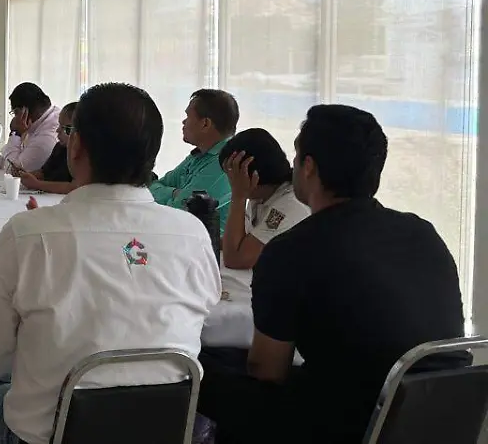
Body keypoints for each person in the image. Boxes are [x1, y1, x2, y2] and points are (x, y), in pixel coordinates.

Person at [0, 83, 221, 444]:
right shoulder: (193, 233)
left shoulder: (28, 234)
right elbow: (204, 312)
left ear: (77, 145)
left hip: (49, 436)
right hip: (163, 431)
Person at [198, 105, 466, 444]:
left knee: (202, 372)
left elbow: (266, 371)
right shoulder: (424, 233)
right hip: (440, 418)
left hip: (348, 424)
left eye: (297, 157)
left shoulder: (291, 250)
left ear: (309, 167)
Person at [216, 128, 309, 301]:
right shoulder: (260, 195)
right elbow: (234, 243)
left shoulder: (291, 204)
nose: (231, 181)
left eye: (233, 175)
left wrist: (238, 196)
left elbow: (235, 258)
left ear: (251, 175)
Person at [150, 89, 238, 231]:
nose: (183, 122)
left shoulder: (225, 164)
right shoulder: (199, 155)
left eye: (188, 116)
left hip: (205, 243)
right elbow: (152, 187)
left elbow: (179, 212)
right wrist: (174, 193)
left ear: (205, 124)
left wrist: (174, 195)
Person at [0, 83, 59, 174]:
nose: (14, 117)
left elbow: (13, 169)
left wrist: (15, 133)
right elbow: (14, 155)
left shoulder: (47, 136)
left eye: (15, 112)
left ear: (24, 111)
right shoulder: (41, 120)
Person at [18, 102, 76, 194]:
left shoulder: (83, 156)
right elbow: (44, 172)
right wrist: (25, 175)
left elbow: (73, 187)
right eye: (59, 125)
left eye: (65, 128)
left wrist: (37, 184)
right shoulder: (59, 148)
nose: (57, 130)